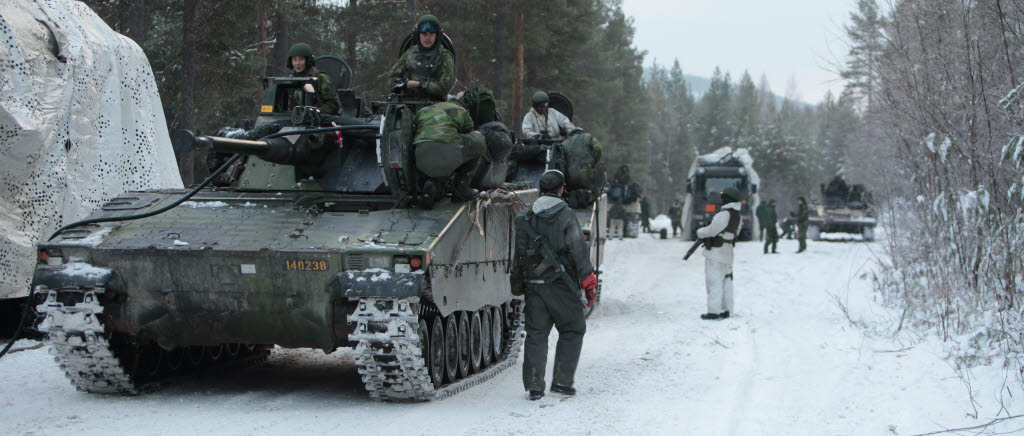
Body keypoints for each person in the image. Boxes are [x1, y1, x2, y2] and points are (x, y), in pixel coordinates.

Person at [513, 170, 597, 401]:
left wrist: (518, 283)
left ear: (541, 189)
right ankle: (561, 382)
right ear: (561, 190)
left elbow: (518, 254)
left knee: (536, 334)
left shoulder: (525, 216)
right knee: (573, 329)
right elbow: (579, 250)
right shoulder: (566, 215)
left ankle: (534, 386)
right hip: (561, 285)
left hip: (533, 284)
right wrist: (589, 284)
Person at [412, 100, 483, 206]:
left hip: (421, 154)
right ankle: (461, 187)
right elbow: (468, 130)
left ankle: (430, 184)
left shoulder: (423, 111)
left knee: (429, 152)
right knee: (478, 142)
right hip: (449, 150)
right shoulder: (461, 110)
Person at [695, 186, 743, 320]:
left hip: (716, 252)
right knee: (726, 281)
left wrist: (700, 231)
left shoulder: (724, 214)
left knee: (714, 281)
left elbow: (712, 230)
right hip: (727, 251)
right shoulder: (737, 215)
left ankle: (714, 311)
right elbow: (736, 232)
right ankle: (726, 309)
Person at [388, 15, 455, 102]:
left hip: (435, 108)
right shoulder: (409, 53)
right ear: (418, 34)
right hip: (408, 105)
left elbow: (445, 86)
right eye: (424, 34)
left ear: (437, 35)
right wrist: (404, 83)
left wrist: (420, 85)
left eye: (431, 34)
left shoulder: (445, 56)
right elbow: (392, 78)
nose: (427, 38)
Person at [287, 43, 341, 116]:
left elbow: (333, 105)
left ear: (308, 60)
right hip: (297, 119)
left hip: (321, 120)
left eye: (301, 59)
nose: (297, 63)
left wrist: (315, 112)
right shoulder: (291, 80)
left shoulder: (320, 78)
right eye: (294, 60)